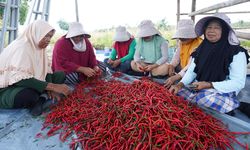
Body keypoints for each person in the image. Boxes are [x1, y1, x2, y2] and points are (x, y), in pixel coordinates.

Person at [169, 13, 249, 114]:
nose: (211, 31)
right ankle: (223, 105)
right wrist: (180, 84)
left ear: (224, 31)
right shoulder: (200, 49)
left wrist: (209, 84)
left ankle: (237, 105)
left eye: (216, 28)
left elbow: (238, 83)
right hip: (200, 86)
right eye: (209, 27)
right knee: (177, 92)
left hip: (221, 89)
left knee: (205, 99)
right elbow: (192, 72)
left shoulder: (236, 52)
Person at [0, 20, 71, 116]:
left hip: (29, 80)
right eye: (45, 35)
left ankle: (42, 98)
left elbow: (46, 71)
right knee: (29, 96)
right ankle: (42, 97)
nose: (48, 39)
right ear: (36, 33)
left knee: (60, 75)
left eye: (50, 36)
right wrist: (53, 87)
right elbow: (19, 79)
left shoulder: (39, 48)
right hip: (8, 88)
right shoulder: (22, 47)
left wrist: (50, 88)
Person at [162, 19, 202, 88]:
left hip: (194, 71)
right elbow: (176, 57)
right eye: (181, 37)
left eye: (185, 37)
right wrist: (171, 65)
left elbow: (191, 66)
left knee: (193, 81)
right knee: (166, 67)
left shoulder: (198, 44)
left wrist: (177, 76)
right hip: (183, 68)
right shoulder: (181, 42)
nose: (182, 38)